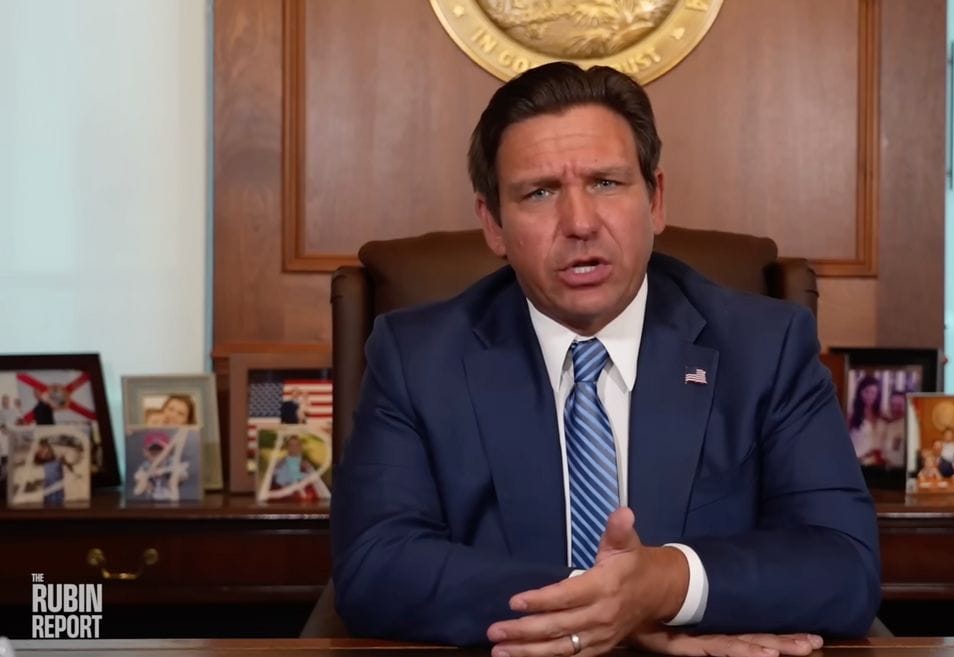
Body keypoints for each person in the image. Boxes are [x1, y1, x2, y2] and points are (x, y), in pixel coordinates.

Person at [331, 62, 880, 653]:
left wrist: (665, 586)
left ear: (656, 199)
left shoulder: (764, 347)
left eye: (607, 183)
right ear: (493, 224)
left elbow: (842, 564)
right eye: (539, 193)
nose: (580, 223)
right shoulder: (418, 357)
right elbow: (375, 566)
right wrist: (612, 609)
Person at [847, 375, 885, 465]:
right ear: (860, 392)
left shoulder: (881, 414)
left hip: (876, 463)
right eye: (866, 392)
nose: (869, 396)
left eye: (873, 393)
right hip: (856, 462)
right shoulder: (851, 415)